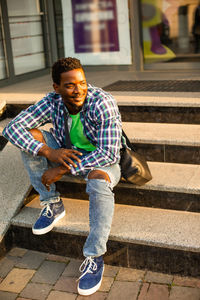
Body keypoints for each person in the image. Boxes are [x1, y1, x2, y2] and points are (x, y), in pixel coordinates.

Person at [3, 57, 124, 296]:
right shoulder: (52, 102)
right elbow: (11, 128)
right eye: (69, 85)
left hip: (101, 161)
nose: (78, 90)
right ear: (56, 88)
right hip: (65, 152)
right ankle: (52, 203)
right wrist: (48, 151)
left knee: (99, 180)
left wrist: (62, 168)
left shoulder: (102, 102)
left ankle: (95, 256)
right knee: (32, 138)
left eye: (83, 83)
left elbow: (109, 153)